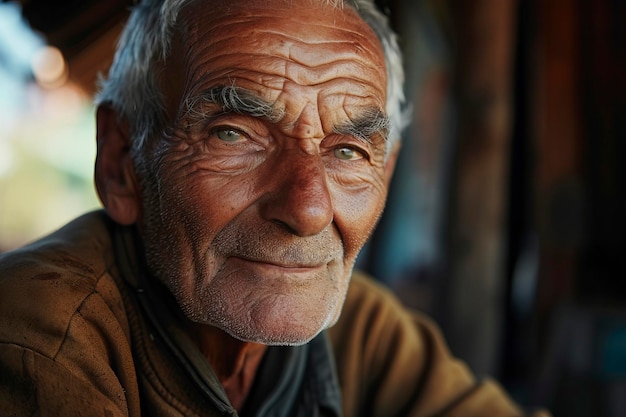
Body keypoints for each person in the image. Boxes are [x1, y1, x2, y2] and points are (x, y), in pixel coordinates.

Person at [0, 0, 549, 415]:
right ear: (122, 162)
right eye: (234, 135)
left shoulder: (360, 327)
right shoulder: (39, 335)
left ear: (385, 171)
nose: (308, 209)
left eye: (349, 151)